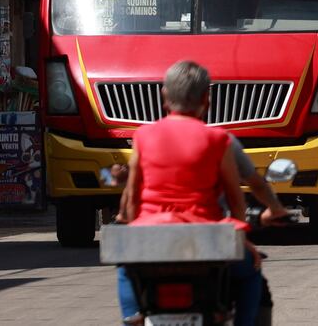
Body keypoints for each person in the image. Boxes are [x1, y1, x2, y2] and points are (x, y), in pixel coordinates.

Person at [116, 61, 273, 325]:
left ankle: (133, 317)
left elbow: (132, 195)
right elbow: (236, 201)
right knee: (250, 272)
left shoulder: (143, 136)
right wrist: (241, 240)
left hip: (152, 235)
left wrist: (134, 234)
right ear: (206, 100)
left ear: (164, 97)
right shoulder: (218, 139)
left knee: (125, 269)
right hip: (206, 237)